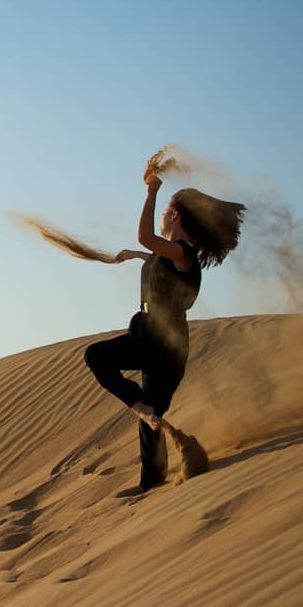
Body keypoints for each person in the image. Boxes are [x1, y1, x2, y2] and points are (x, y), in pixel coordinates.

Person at [83, 165, 245, 496]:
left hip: (159, 336)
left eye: (165, 210)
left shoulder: (183, 252)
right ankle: (151, 481)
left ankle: (140, 410)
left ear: (173, 216)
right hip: (165, 340)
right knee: (152, 416)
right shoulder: (174, 255)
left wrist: (151, 193)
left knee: (96, 357)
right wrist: (137, 255)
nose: (162, 215)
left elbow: (148, 239)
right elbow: (156, 255)